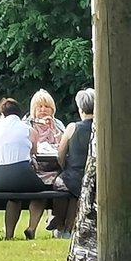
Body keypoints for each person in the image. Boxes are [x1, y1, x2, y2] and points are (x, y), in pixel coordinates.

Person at [0, 97, 48, 239]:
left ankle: (9, 235)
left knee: (14, 198)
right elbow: (34, 151)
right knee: (42, 193)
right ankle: (31, 228)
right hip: (20, 174)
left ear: (2, 114)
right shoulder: (28, 129)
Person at [50, 88, 95, 237]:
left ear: (80, 108)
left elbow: (60, 156)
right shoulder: (102, 128)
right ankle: (69, 225)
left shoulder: (72, 127)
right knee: (76, 191)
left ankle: (60, 223)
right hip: (94, 177)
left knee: (60, 184)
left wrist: (64, 168)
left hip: (73, 176)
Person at [26, 88, 67, 186]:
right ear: (33, 110)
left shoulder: (58, 124)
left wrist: (54, 130)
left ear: (52, 110)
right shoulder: (28, 125)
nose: (43, 110)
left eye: (47, 106)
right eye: (39, 107)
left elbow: (65, 146)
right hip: (36, 168)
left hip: (57, 167)